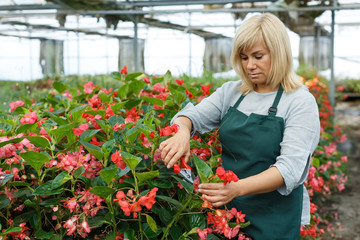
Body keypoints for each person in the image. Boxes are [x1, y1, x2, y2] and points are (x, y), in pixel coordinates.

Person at [159, 13, 320, 240]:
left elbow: (289, 169)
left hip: (274, 218)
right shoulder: (232, 92)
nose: (250, 66)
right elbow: (191, 115)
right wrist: (183, 131)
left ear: (279, 53)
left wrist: (236, 188)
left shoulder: (299, 101)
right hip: (229, 213)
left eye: (258, 56)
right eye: (244, 58)